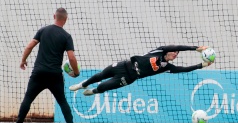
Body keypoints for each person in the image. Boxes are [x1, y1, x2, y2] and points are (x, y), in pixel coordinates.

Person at [6, 8, 80, 123]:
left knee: (28, 98)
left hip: (39, 73)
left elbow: (29, 46)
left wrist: (23, 60)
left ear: (54, 16)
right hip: (55, 75)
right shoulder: (66, 36)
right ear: (66, 19)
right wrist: (77, 72)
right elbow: (71, 57)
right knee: (62, 100)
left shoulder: (43, 30)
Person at [69, 45, 213, 96]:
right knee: (101, 75)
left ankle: (93, 92)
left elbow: (183, 69)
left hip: (130, 77)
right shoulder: (160, 50)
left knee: (103, 87)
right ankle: (82, 85)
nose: (175, 54)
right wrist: (195, 48)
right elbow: (177, 46)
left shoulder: (167, 67)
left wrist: (202, 65)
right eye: (174, 52)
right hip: (124, 65)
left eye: (177, 54)